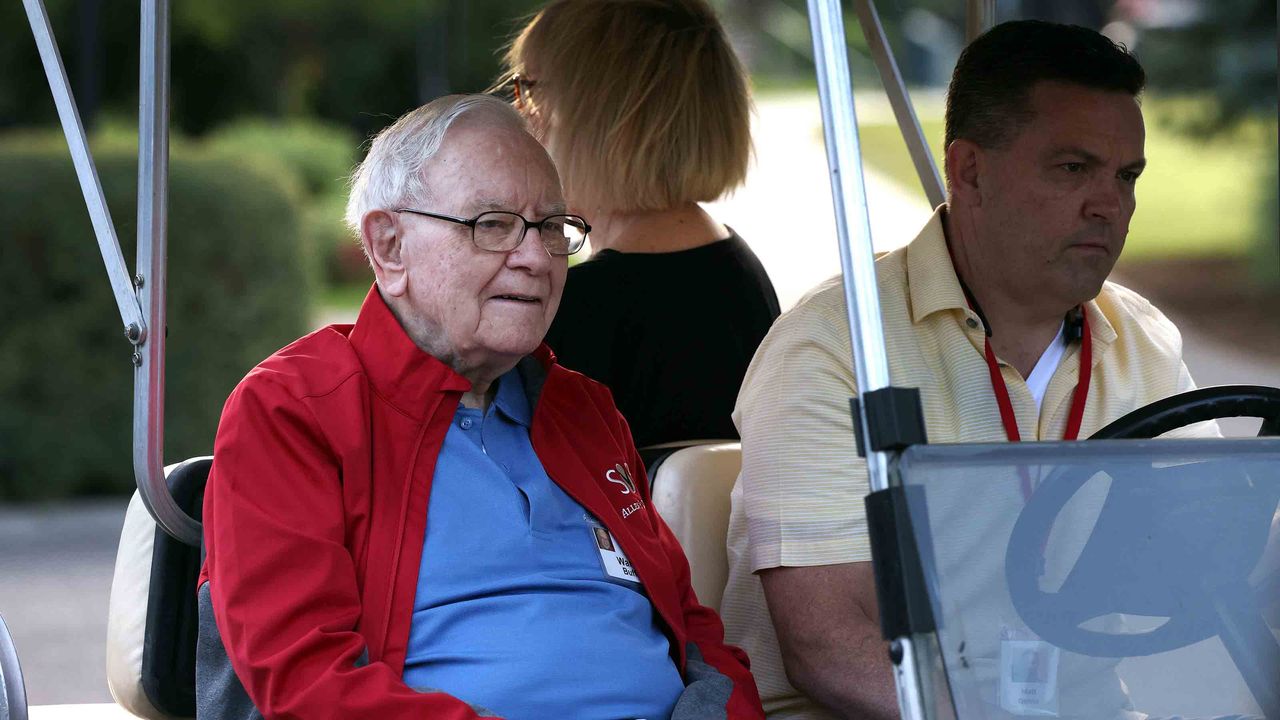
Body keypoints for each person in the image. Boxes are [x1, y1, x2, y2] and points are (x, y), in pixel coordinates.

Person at [197, 94, 764, 720]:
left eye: (552, 228)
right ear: (388, 247)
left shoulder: (583, 408)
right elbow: (305, 682)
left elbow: (692, 631)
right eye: (492, 224)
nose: (534, 257)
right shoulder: (295, 410)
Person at [719, 21, 1218, 719]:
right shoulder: (835, 345)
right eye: (1072, 169)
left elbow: (1225, 554)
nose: (1111, 205)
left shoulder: (1142, 340)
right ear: (970, 171)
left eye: (1126, 176)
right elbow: (829, 648)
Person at [501, 0, 781, 449]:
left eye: (529, 90)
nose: (522, 114)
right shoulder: (740, 272)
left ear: (597, 118)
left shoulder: (580, 310)